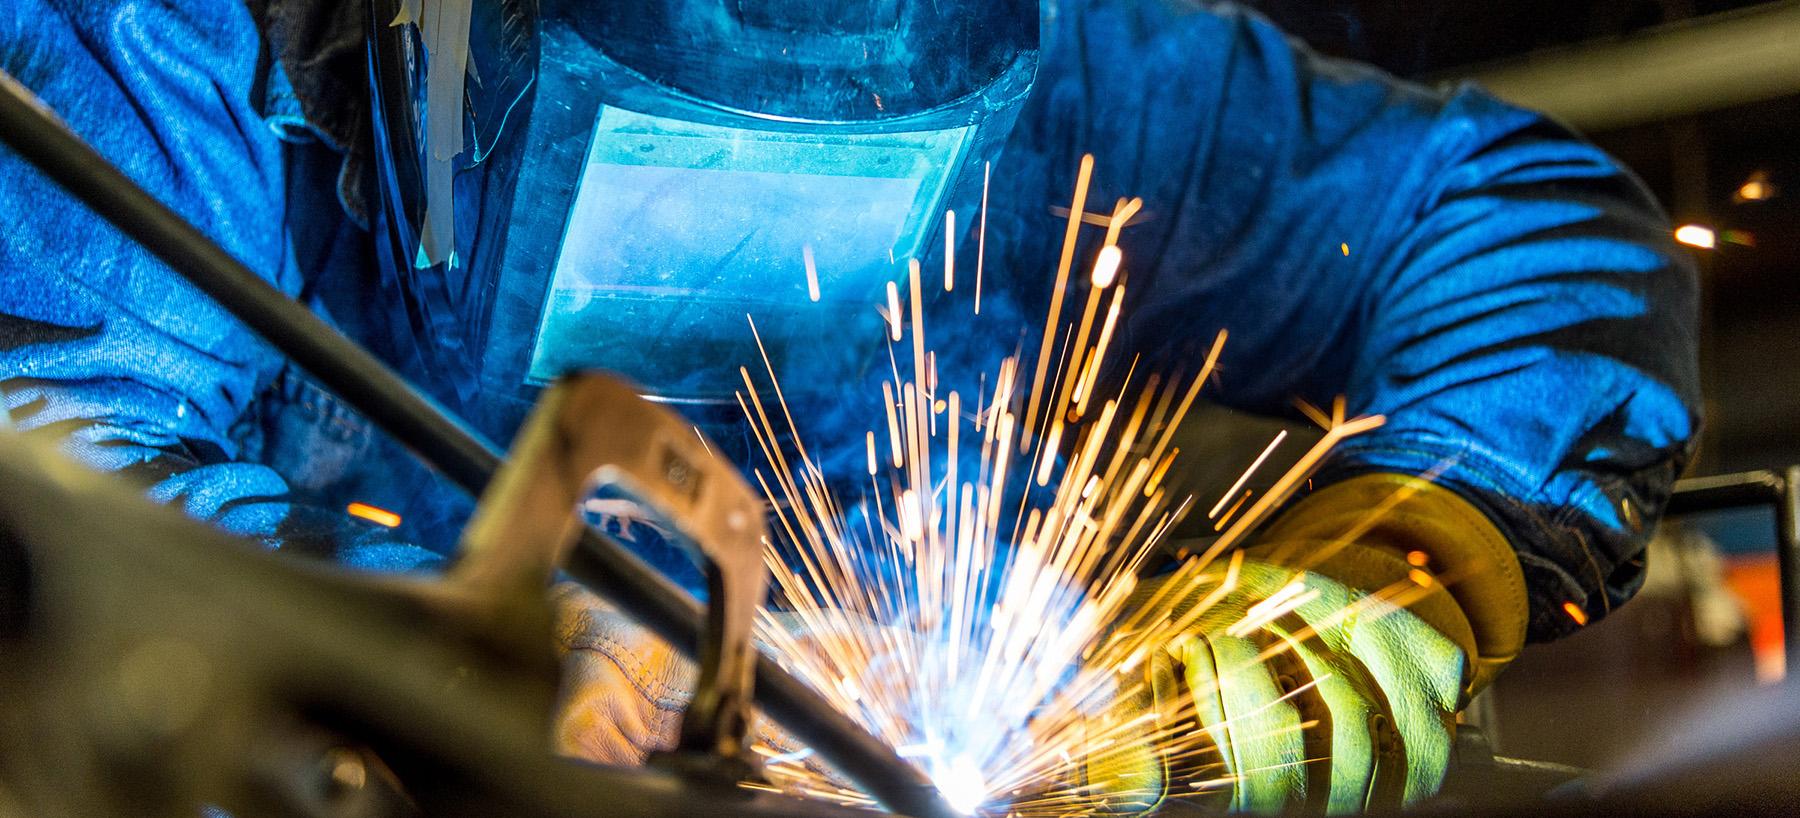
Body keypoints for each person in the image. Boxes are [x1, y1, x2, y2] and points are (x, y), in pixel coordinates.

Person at [0, 0, 1698, 811]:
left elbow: (1520, 223)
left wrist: (1389, 573)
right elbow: (72, 448)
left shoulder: (1074, 78)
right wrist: (467, 661)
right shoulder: (177, 44)